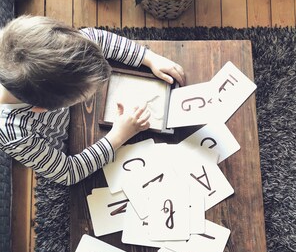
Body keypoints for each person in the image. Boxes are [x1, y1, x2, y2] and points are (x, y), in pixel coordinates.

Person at [0, 15, 185, 186]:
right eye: (84, 96)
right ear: (41, 109)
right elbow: (68, 173)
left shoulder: (52, 46)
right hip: (65, 144)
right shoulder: (14, 135)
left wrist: (149, 58)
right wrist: (120, 134)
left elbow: (98, 38)